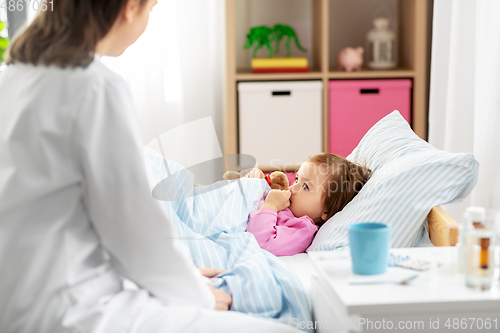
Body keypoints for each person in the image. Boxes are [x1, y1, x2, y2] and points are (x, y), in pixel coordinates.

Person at [0, 1, 301, 332]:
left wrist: (171, 279)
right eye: (152, 8)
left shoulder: (11, 78)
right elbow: (135, 232)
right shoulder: (95, 85)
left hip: (20, 304)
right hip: (74, 312)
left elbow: (72, 227)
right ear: (130, 7)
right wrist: (193, 293)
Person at [246, 153, 371, 256]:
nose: (293, 188)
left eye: (305, 187)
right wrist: (254, 181)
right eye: (296, 179)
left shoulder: (302, 230)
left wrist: (270, 206)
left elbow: (262, 244)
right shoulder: (285, 204)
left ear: (326, 211)